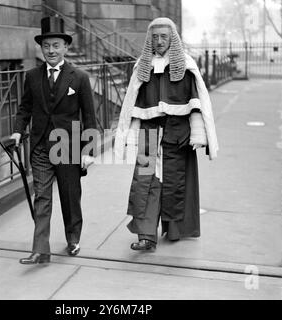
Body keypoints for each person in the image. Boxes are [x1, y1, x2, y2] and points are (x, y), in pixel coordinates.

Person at [114, 17, 218, 251]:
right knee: (145, 183)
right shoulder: (143, 66)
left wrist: (198, 134)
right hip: (149, 135)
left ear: (172, 39)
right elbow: (133, 105)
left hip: (177, 136)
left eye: (164, 36)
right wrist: (129, 136)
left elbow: (196, 103)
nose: (159, 41)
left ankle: (175, 229)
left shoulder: (186, 65)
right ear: (149, 39)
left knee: (175, 184)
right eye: (155, 37)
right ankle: (146, 236)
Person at [11, 16, 97, 265]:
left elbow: (89, 116)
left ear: (66, 47)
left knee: (70, 196)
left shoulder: (79, 77)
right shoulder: (32, 76)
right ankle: (40, 249)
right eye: (47, 46)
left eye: (56, 45)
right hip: (39, 146)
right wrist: (18, 130)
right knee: (42, 197)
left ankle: (73, 238)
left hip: (67, 147)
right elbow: (25, 108)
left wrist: (88, 150)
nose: (51, 50)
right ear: (41, 47)